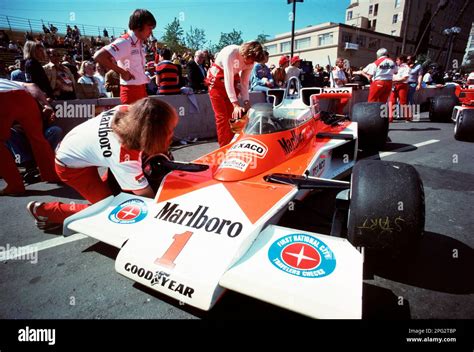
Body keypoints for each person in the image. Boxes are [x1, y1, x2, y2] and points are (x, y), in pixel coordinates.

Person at [27, 97, 178, 230]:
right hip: (70, 166)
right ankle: (45, 211)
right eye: (170, 130)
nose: (173, 133)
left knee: (124, 183)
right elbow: (147, 197)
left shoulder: (126, 110)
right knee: (109, 209)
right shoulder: (124, 157)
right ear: (153, 133)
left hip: (82, 147)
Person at [0, 79, 59, 195]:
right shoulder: (6, 80)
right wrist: (46, 105)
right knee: (38, 138)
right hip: (24, 97)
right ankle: (52, 175)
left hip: (2, 99)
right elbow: (32, 85)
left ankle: (15, 185)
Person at [206, 41, 266, 146]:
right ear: (246, 53)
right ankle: (224, 147)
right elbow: (228, 78)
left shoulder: (251, 62)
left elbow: (244, 82)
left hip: (232, 82)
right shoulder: (231, 53)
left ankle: (232, 144)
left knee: (232, 118)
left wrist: (247, 102)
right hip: (216, 82)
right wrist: (235, 104)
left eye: (253, 61)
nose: (250, 64)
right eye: (250, 60)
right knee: (222, 118)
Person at [94, 9, 157, 104]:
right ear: (139, 25)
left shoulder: (139, 42)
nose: (151, 32)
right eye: (149, 28)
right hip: (131, 91)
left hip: (141, 89)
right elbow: (98, 56)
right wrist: (122, 72)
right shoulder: (125, 41)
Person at [390, 55, 411, 122]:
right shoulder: (396, 67)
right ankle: (390, 118)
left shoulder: (406, 67)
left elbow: (405, 78)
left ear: (402, 60)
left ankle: (408, 116)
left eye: (397, 60)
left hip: (402, 85)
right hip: (394, 85)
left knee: (402, 102)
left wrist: (395, 81)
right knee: (392, 101)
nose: (396, 61)